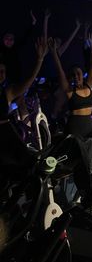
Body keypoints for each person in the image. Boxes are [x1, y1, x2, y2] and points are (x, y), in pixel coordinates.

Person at [0, 37, 48, 174]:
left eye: (3, 71)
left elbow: (27, 82)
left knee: (28, 164)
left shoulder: (7, 92)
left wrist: (39, 60)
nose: (1, 74)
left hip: (6, 133)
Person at [49, 33, 92, 141]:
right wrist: (54, 53)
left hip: (89, 128)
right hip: (74, 129)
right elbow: (60, 70)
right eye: (73, 75)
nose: (76, 76)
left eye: (78, 73)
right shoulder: (69, 90)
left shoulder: (89, 85)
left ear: (83, 75)